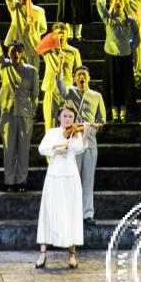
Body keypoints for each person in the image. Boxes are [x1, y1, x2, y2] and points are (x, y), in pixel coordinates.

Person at [36, 103, 89, 269]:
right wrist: (56, 148)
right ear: (59, 117)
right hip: (54, 177)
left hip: (70, 176)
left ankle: (72, 255)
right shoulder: (52, 132)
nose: (68, 119)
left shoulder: (75, 134)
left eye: (71, 117)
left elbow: (80, 149)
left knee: (71, 213)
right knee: (48, 212)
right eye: (65, 116)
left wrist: (86, 133)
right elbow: (41, 148)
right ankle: (42, 254)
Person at [0, 21, 40, 193]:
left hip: (25, 113)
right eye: (12, 51)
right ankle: (9, 181)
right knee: (9, 149)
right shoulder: (4, 66)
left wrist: (33, 111)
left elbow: (35, 94)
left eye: (19, 51)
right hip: (8, 112)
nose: (16, 53)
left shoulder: (31, 71)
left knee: (23, 150)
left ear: (23, 53)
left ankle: (22, 181)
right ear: (9, 53)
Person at [61, 67, 106, 225]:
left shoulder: (96, 96)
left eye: (84, 75)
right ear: (74, 78)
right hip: (74, 141)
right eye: (79, 75)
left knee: (88, 180)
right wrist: (60, 68)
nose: (81, 77)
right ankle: (72, 213)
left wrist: (96, 126)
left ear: (89, 77)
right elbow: (60, 87)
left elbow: (102, 118)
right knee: (73, 179)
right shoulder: (69, 91)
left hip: (90, 142)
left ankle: (87, 213)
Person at [95, 0, 141, 124]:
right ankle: (114, 111)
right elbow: (99, 5)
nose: (118, 3)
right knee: (113, 85)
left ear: (124, 4)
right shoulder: (108, 18)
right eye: (116, 1)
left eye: (120, 1)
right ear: (112, 3)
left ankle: (123, 111)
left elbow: (137, 38)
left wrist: (129, 46)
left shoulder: (131, 20)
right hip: (111, 56)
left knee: (124, 85)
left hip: (125, 57)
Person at [39, 22, 83, 131]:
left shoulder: (73, 51)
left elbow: (79, 72)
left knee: (66, 126)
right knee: (50, 124)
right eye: (58, 33)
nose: (61, 35)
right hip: (51, 90)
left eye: (63, 33)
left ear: (67, 34)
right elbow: (36, 43)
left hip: (66, 92)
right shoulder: (48, 50)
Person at [3, 0, 47, 71]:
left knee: (33, 73)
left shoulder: (39, 11)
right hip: (17, 46)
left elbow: (43, 28)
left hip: (32, 47)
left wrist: (33, 32)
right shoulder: (15, 7)